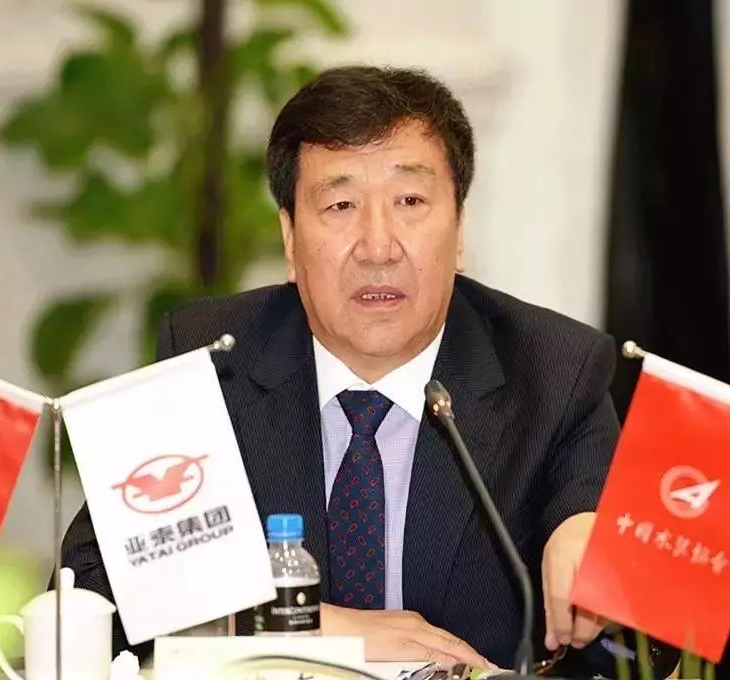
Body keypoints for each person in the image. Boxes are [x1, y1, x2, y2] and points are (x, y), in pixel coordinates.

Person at [60, 65, 620, 670]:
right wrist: (298, 625)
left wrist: (597, 558)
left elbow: (633, 636)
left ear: (459, 228)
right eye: (340, 204)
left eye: (410, 201)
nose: (378, 246)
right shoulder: (213, 362)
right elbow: (90, 592)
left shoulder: (555, 371)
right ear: (289, 238)